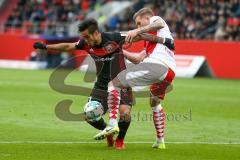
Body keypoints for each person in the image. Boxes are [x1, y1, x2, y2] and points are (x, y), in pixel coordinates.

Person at [33, 18, 173, 150]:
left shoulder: (114, 37)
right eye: (84, 37)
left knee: (125, 114)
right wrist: (46, 46)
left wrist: (164, 41)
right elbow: (68, 46)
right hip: (101, 85)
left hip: (121, 82)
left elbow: (139, 35)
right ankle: (108, 131)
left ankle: (120, 141)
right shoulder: (86, 44)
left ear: (96, 33)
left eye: (87, 36)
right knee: (89, 115)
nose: (85, 40)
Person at [94, 8, 176, 149]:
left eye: (139, 23)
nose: (138, 26)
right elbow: (138, 59)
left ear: (147, 18)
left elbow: (160, 22)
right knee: (154, 102)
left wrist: (137, 31)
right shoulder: (154, 42)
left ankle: (112, 124)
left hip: (157, 66)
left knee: (114, 83)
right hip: (168, 72)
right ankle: (160, 140)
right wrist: (120, 50)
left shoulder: (155, 19)